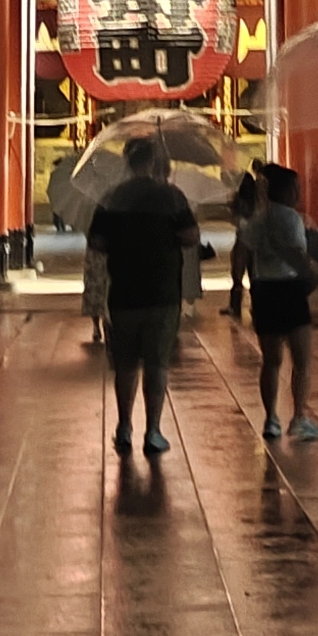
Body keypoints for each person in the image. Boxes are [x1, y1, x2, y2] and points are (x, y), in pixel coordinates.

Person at [92, 134, 199, 457]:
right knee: (157, 363)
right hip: (163, 291)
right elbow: (191, 237)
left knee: (125, 364)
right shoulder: (171, 196)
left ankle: (124, 427)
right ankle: (153, 431)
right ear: (153, 162)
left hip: (123, 290)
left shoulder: (112, 198)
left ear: (127, 162)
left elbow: (96, 242)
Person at [245, 161, 318, 443]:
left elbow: (247, 256)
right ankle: (299, 417)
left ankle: (271, 419)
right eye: (298, 187)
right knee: (301, 360)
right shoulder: (291, 219)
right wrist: (316, 278)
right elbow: (298, 257)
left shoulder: (257, 220)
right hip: (290, 289)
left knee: (271, 361)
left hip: (264, 290)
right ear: (289, 190)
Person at [227, 165, 260, 321]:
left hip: (242, 241)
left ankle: (235, 306)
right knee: (255, 275)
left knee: (237, 274)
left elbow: (235, 219)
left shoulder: (238, 200)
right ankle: (257, 306)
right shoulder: (258, 201)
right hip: (255, 241)